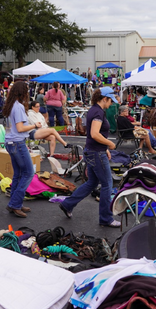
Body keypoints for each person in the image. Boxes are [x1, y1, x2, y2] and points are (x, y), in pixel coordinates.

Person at [58, 87, 121, 228]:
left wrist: (105, 148)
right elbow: (94, 134)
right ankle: (106, 218)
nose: (111, 104)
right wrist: (110, 143)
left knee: (92, 182)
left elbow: (94, 135)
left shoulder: (94, 109)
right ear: (105, 98)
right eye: (110, 101)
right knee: (107, 185)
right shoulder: (98, 112)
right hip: (96, 153)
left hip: (92, 151)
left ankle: (67, 204)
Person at [3, 81, 41, 218]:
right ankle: (14, 203)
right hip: (17, 143)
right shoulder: (18, 107)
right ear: (22, 92)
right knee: (29, 173)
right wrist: (34, 125)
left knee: (18, 174)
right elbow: (20, 128)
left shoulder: (10, 105)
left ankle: (16, 202)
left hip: (11, 142)